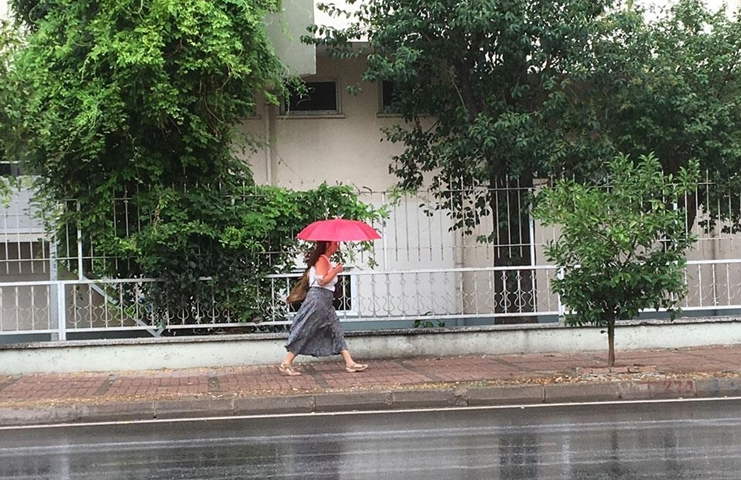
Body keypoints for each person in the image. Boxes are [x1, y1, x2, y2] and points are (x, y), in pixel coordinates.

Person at [279, 240, 368, 376]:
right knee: (306, 329)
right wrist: (336, 271)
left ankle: (350, 363)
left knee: (336, 329)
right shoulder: (322, 259)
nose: (337, 246)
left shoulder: (326, 260)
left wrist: (333, 270)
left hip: (325, 301)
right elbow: (322, 281)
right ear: (327, 245)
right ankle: (286, 363)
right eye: (335, 243)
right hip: (318, 300)